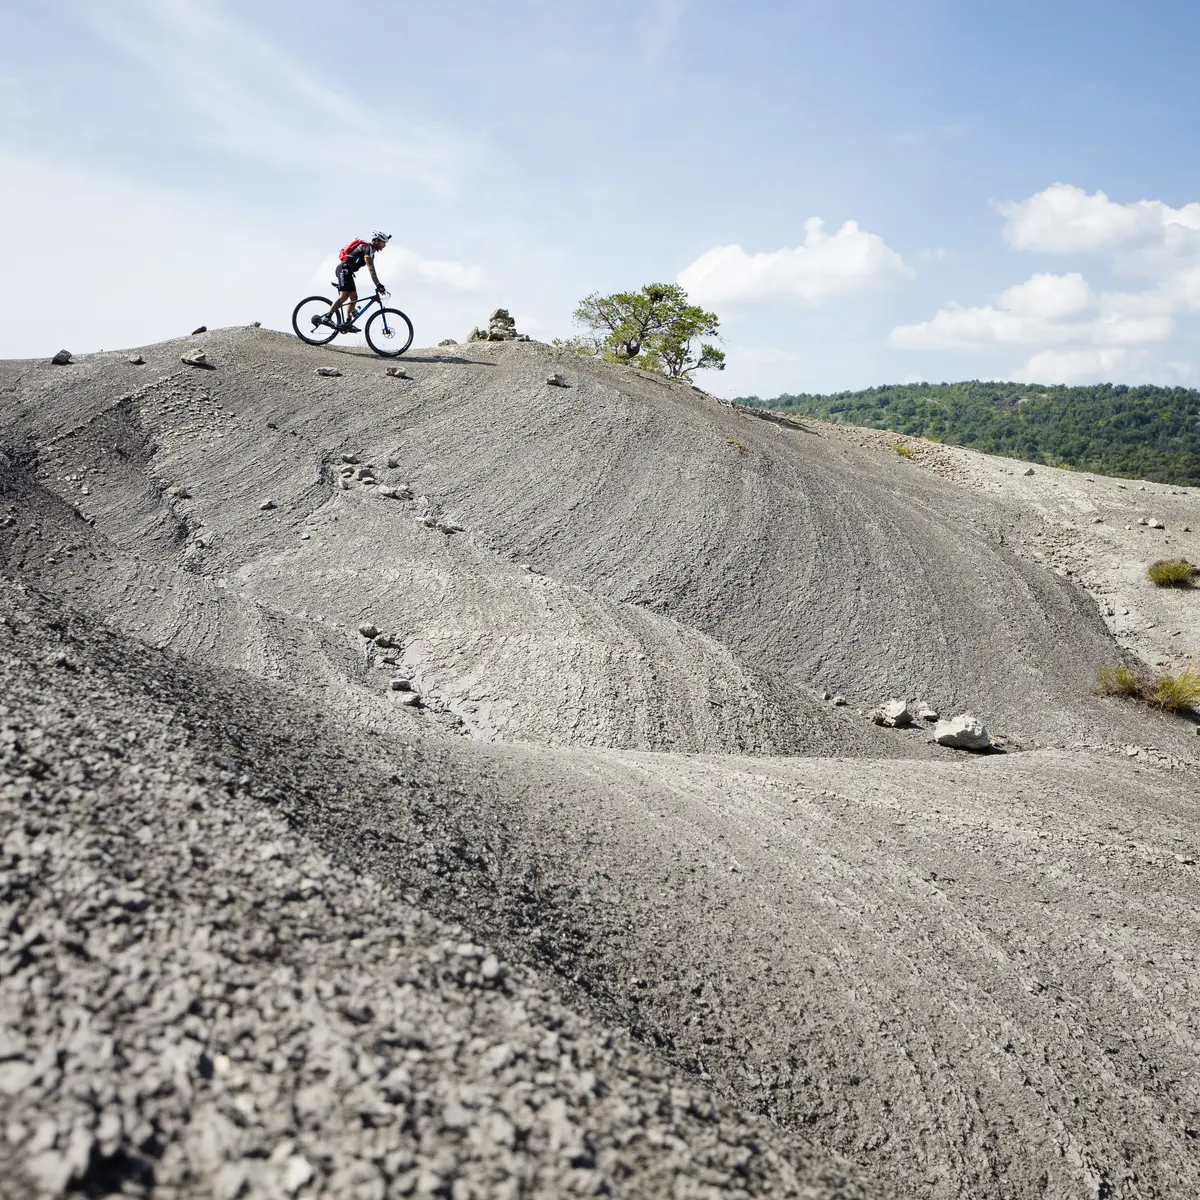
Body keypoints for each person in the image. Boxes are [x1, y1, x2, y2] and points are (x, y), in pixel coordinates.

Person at [323, 231, 391, 332]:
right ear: (377, 241)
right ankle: (327, 317)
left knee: (354, 297)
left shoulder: (370, 250)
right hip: (343, 270)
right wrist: (378, 284)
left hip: (348, 272)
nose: (384, 245)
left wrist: (378, 284)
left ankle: (348, 323)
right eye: (383, 243)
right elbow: (371, 268)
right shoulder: (367, 248)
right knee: (344, 296)